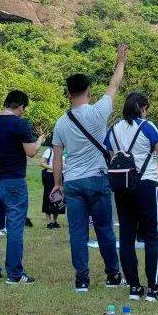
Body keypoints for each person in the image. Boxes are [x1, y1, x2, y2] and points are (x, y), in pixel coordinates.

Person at [50, 44, 128, 292]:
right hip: (97, 179)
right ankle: (113, 275)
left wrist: (57, 185)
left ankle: (81, 278)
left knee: (77, 232)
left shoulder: (61, 123)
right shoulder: (98, 112)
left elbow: (58, 159)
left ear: (68, 93)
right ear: (89, 92)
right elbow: (114, 86)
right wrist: (121, 63)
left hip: (73, 183)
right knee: (105, 229)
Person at [106, 91, 158, 302]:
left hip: (122, 186)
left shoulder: (114, 128)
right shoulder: (147, 126)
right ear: (143, 108)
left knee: (126, 237)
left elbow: (108, 151)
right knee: (153, 236)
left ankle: (134, 286)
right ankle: (154, 287)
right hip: (146, 184)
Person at [0, 91, 42, 284]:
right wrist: (39, 141)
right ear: (21, 106)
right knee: (14, 227)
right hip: (13, 180)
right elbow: (31, 152)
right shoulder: (20, 123)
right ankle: (14, 274)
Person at [40, 145, 64, 228]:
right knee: (48, 197)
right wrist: (54, 168)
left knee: (59, 197)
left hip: (61, 176)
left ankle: (55, 221)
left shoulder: (64, 151)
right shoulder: (49, 150)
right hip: (50, 175)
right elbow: (41, 162)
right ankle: (49, 222)